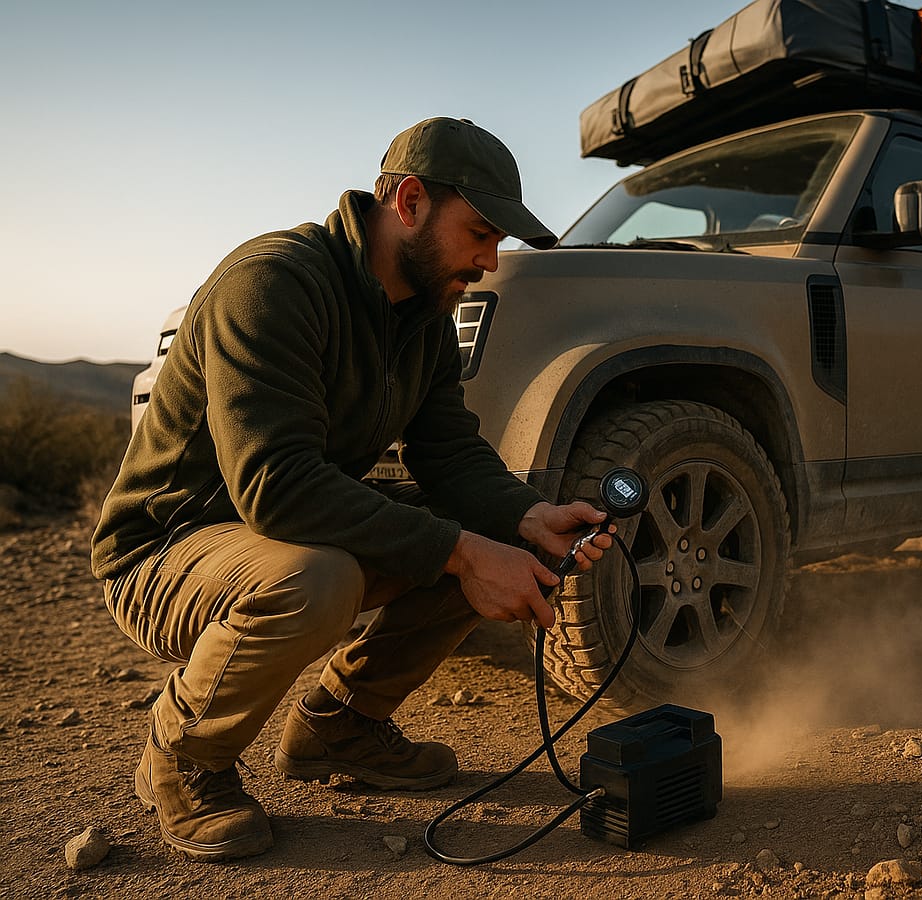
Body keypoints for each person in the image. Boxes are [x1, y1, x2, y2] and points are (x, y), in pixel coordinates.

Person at [90, 117, 613, 862]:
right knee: (325, 577)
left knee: (488, 542)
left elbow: (449, 454)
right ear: (407, 204)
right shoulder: (272, 283)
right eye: (480, 233)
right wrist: (463, 554)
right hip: (166, 553)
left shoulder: (423, 313)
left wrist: (529, 518)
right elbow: (276, 489)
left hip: (276, 536)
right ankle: (181, 756)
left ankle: (340, 723)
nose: (491, 261)